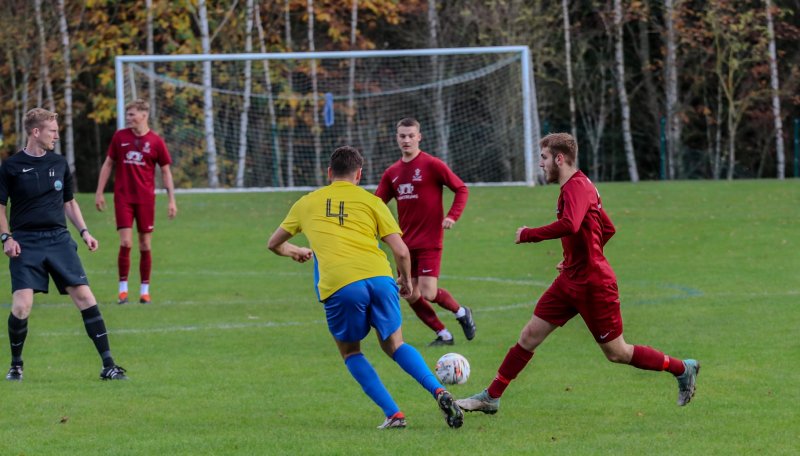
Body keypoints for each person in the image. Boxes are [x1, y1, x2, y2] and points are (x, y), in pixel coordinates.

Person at [456, 133, 699, 414]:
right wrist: (573, 257)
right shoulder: (580, 186)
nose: (541, 164)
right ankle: (491, 396)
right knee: (529, 335)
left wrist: (529, 235)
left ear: (560, 159)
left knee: (617, 352)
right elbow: (607, 228)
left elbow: (570, 224)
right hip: (570, 279)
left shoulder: (575, 188)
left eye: (544, 158)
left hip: (594, 285)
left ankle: (683, 368)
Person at [267, 146, 463, 429]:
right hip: (380, 279)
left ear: (329, 172)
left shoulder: (306, 203)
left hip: (341, 285)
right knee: (396, 345)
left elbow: (273, 243)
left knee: (351, 352)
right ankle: (439, 391)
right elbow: (402, 251)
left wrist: (294, 250)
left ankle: (394, 414)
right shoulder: (373, 202)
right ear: (359, 175)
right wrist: (407, 282)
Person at [0, 108, 127, 381]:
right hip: (26, 242)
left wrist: (84, 232)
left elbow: (69, 201)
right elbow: (0, 206)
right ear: (36, 132)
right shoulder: (10, 166)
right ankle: (16, 365)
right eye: (52, 131)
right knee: (22, 306)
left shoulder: (59, 163)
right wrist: (6, 237)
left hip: (58, 240)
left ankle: (109, 365)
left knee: (85, 297)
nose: (56, 136)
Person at [376, 118, 475, 347]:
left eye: (411, 135)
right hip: (405, 244)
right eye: (402, 136)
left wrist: (452, 215)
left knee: (429, 293)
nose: (407, 140)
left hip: (430, 240)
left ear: (419, 137)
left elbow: (461, 188)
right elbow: (377, 203)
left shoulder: (432, 165)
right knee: (409, 293)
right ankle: (443, 334)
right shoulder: (392, 173)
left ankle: (461, 312)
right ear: (397, 138)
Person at [95, 99, 177, 305]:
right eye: (128, 114)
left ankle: (144, 290)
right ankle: (123, 290)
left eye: (132, 114)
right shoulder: (120, 137)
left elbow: (165, 171)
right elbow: (108, 164)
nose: (128, 118)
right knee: (126, 242)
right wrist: (99, 192)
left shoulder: (156, 142)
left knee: (144, 243)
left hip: (146, 200)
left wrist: (171, 200)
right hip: (123, 198)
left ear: (144, 115)